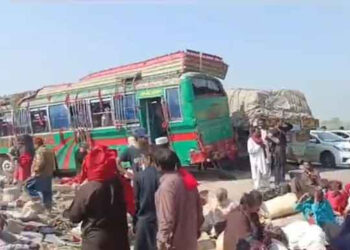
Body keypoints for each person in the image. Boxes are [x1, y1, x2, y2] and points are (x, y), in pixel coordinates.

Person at [63, 145, 129, 250]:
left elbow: (74, 217)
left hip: (95, 240)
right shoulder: (120, 184)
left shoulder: (88, 188)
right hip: (120, 238)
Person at [154, 147, 203, 250]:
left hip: (175, 243)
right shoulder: (188, 180)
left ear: (158, 166)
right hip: (190, 241)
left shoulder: (166, 187)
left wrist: (162, 241)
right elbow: (199, 209)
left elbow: (166, 219)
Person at [133, 148, 160, 250]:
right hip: (160, 218)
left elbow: (136, 201)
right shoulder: (161, 175)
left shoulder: (139, 176)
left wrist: (135, 220)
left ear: (147, 159)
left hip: (144, 219)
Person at [25, 138, 56, 210]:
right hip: (49, 174)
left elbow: (40, 163)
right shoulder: (49, 150)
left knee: (29, 187)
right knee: (48, 191)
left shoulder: (39, 152)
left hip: (41, 174)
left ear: (37, 144)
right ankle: (49, 207)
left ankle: (40, 204)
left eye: (34, 144)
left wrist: (35, 171)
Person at [269, 121, 293, 186]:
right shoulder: (275, 130)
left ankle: (282, 180)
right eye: (279, 123)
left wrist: (284, 122)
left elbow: (291, 126)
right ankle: (277, 181)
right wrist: (276, 140)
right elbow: (269, 136)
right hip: (278, 148)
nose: (280, 124)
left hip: (282, 148)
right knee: (278, 165)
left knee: (282, 164)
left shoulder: (283, 129)